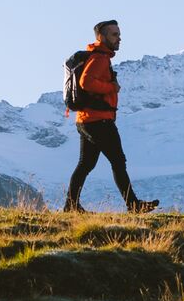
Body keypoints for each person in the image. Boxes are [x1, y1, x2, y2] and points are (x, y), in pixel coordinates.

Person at [62, 19, 155, 213]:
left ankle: (71, 206)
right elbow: (86, 82)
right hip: (99, 121)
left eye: (119, 34)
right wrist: (111, 87)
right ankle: (134, 205)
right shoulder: (100, 58)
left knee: (86, 164)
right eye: (114, 35)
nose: (119, 38)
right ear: (102, 37)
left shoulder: (98, 57)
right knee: (118, 161)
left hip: (86, 120)